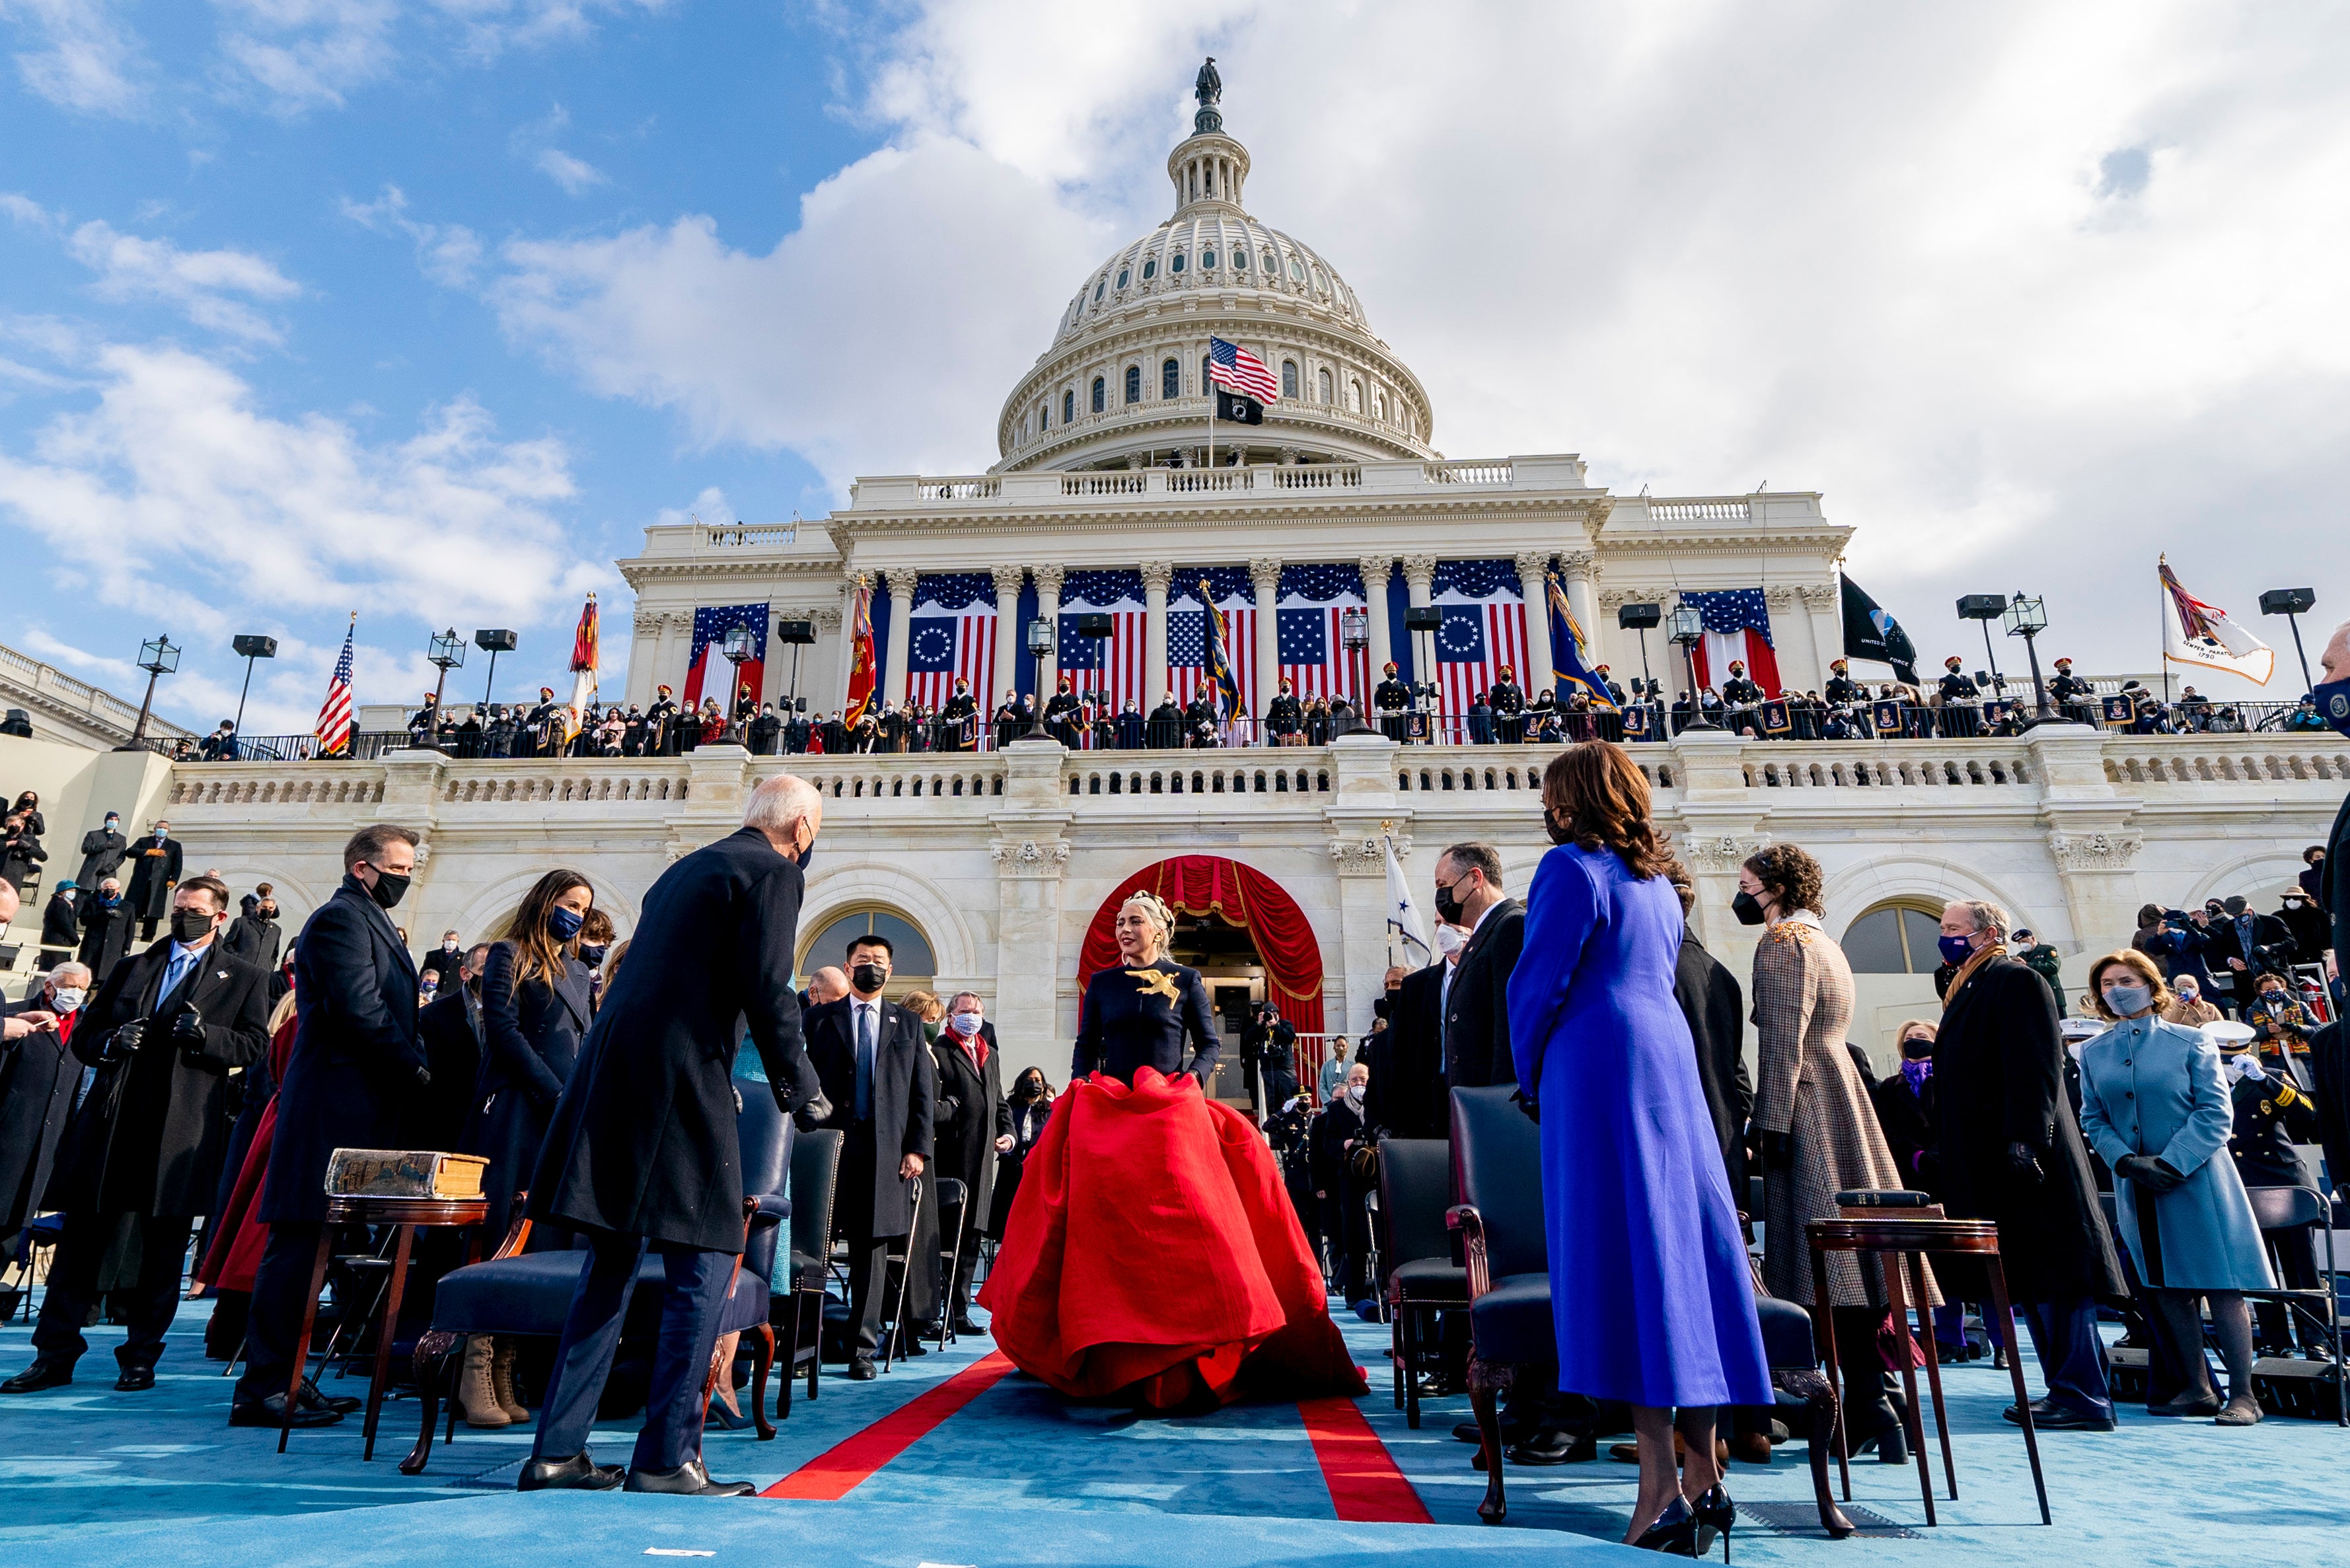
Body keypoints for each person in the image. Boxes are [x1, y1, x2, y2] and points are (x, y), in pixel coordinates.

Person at [521, 776, 826, 1494]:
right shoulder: (774, 870)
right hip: (684, 1079)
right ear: (803, 829)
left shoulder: (687, 867)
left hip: (614, 1075)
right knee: (707, 1262)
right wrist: (801, 1090)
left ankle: (557, 1451)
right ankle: (665, 1456)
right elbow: (767, 987)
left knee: (610, 1264)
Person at [1508, 743, 1769, 1552]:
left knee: (1622, 1262)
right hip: (1667, 1061)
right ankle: (1704, 1474)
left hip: (1598, 1063)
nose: (1545, 805)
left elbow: (1538, 980)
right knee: (1683, 1252)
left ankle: (1658, 1490)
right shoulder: (1655, 880)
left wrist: (1528, 1070)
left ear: (1570, 799)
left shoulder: (1567, 869)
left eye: (1552, 792)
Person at [982, 891, 1360, 1412]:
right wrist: (1079, 1086)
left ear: (1159, 930)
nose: (1122, 929)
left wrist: (1190, 1082)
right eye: (1118, 921)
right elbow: (1086, 1043)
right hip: (1108, 1109)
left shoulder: (1186, 981)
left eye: (1134, 921)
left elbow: (1207, 1044)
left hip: (1171, 1106)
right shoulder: (1102, 983)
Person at [3, 876, 270, 1394]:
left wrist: (207, 1037)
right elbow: (83, 1034)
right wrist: (110, 1040)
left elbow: (254, 1044)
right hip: (113, 1124)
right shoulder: (135, 966)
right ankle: (54, 1354)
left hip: (178, 1133)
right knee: (80, 1245)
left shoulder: (243, 977)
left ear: (218, 918)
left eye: (194, 910)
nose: (182, 918)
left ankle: (141, 1356)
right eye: (177, 909)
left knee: (162, 1252)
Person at [233, 824, 429, 1430]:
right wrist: (415, 1064)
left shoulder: (364, 917)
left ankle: (289, 1380)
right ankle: (266, 1387)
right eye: (397, 867)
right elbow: (359, 1009)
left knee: (322, 1248)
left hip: (354, 1111)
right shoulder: (341, 919)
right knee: (298, 1249)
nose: (405, 876)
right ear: (363, 867)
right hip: (330, 1112)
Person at [1736, 841, 1918, 1460]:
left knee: (1824, 1259)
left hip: (1807, 1100)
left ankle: (1866, 1405)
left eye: (1748, 884)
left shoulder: (1785, 942)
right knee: (1848, 1257)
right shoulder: (1827, 942)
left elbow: (1782, 1038)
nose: (1743, 895)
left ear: (1774, 886)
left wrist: (1770, 1122)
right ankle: (1878, 1402)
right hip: (1840, 1095)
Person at [1934, 898, 2125, 1432]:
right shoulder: (1971, 981)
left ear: (1987, 932)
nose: (1944, 937)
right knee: (2033, 1276)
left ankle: (2083, 1394)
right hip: (1999, 1160)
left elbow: (2035, 1062)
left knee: (2057, 1273)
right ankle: (2064, 1389)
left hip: (2029, 1159)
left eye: (1952, 928)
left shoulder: (2014, 979)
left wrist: (2026, 1138)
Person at [2074, 951, 2273, 1424]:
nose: (2116, 990)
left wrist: (2172, 1161)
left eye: (2125, 980)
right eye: (2106, 984)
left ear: (2149, 983)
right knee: (2165, 1288)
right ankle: (2196, 1387)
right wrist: (2124, 1159)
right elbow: (2091, 1116)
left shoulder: (2190, 1042)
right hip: (2136, 1182)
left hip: (2197, 1177)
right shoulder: (2094, 1051)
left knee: (2221, 1285)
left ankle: (2243, 1395)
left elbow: (2213, 1113)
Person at [804, 932, 934, 1379]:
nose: (871, 967)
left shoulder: (907, 1024)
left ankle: (863, 1347)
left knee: (871, 1250)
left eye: (879, 960)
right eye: (863, 959)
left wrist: (917, 1148)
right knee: (814, 1247)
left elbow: (921, 1091)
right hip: (827, 1148)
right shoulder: (819, 1020)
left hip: (885, 1152)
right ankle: (806, 1344)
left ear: (890, 970)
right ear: (847, 966)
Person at [930, 991, 1010, 1336]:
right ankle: (932, 1312)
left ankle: (959, 1312)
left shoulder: (988, 1054)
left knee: (971, 1240)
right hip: (948, 1160)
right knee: (941, 1240)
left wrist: (1007, 1132)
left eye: (977, 1011)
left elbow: (999, 1100)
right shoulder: (939, 1052)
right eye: (965, 1011)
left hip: (981, 1163)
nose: (972, 1016)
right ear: (951, 1016)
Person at [0, 964, 87, 1257]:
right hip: (9, 1133)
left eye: (82, 989)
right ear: (49, 986)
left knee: (14, 1231)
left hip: (49, 1145)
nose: (74, 994)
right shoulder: (14, 1014)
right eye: (69, 986)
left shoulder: (86, 1028)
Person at [1438, 841, 1523, 1088]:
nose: (1441, 896)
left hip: (1492, 1101)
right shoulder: (1482, 934)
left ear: (1475, 878)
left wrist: (1499, 1102)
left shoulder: (1510, 926)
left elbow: (1508, 1028)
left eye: (1443, 885)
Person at [409, 942, 489, 1155]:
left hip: (487, 1132)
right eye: (484, 970)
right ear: (465, 973)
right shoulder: (434, 1016)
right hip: (443, 1131)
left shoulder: (515, 1016)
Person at [1309, 1059, 1374, 1314]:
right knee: (1353, 1238)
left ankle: (1380, 1291)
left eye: (1364, 1080)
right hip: (1350, 1180)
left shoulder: (1376, 1105)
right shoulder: (1336, 1112)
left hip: (1376, 1177)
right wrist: (1344, 1145)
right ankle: (1353, 1294)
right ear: (1349, 1083)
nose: (1359, 1085)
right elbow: (1326, 1145)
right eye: (1355, 1080)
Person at [987, 1067, 1054, 1238]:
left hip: (1037, 1169)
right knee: (1007, 1213)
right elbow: (1001, 1131)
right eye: (1030, 1079)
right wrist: (1010, 1157)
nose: (1035, 1083)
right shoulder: (1010, 1106)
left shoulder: (1048, 1110)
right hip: (1011, 1167)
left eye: (1038, 1080)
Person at [123, 820, 183, 942]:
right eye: (160, 827)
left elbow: (177, 864)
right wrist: (147, 852)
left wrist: (174, 879)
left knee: (153, 911)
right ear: (155, 829)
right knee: (134, 909)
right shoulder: (143, 841)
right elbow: (129, 852)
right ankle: (126, 936)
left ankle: (147, 939)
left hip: (159, 883)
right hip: (140, 881)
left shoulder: (174, 845)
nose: (162, 830)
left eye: (165, 828)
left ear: (169, 830)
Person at [75, 876, 135, 982]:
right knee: (87, 976)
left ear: (118, 889)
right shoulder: (92, 903)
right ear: (102, 890)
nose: (109, 889)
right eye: (106, 888)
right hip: (93, 947)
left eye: (111, 887)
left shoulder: (127, 906)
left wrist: (127, 947)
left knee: (109, 979)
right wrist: (104, 914)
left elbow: (130, 929)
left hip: (114, 948)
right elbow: (84, 921)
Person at [2010, 927, 2065, 1016]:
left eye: (2024, 941)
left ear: (2033, 939)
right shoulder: (2021, 955)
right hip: (2033, 997)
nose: (2022, 944)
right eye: (2019, 943)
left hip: (2052, 995)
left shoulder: (2048, 950)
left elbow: (2053, 967)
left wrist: (2027, 965)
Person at [75, 811, 126, 894]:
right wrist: (104, 846)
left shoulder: (121, 839)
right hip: (90, 873)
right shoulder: (94, 834)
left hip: (107, 875)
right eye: (111, 819)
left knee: (100, 900)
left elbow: (121, 857)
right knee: (82, 899)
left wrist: (110, 868)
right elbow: (85, 849)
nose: (113, 821)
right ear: (106, 820)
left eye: (116, 819)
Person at [37, 879, 80, 969]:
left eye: (74, 891)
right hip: (57, 942)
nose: (73, 893)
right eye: (71, 891)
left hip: (60, 941)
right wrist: (75, 938)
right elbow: (64, 924)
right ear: (62, 892)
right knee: (54, 969)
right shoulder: (60, 904)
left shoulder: (63, 903)